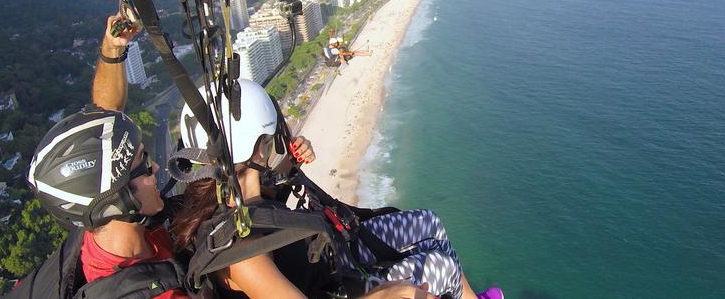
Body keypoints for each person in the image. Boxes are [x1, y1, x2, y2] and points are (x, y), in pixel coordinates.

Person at [169, 80, 503, 299]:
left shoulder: (243, 197)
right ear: (258, 148)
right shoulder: (241, 253)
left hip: (329, 250)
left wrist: (293, 164)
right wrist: (387, 294)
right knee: (439, 267)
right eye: (274, 140)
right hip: (335, 283)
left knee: (428, 223)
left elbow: (272, 198)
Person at [18, 13, 190, 298]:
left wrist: (113, 49)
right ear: (116, 199)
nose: (156, 167)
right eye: (144, 166)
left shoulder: (102, 231)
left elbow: (106, 131)